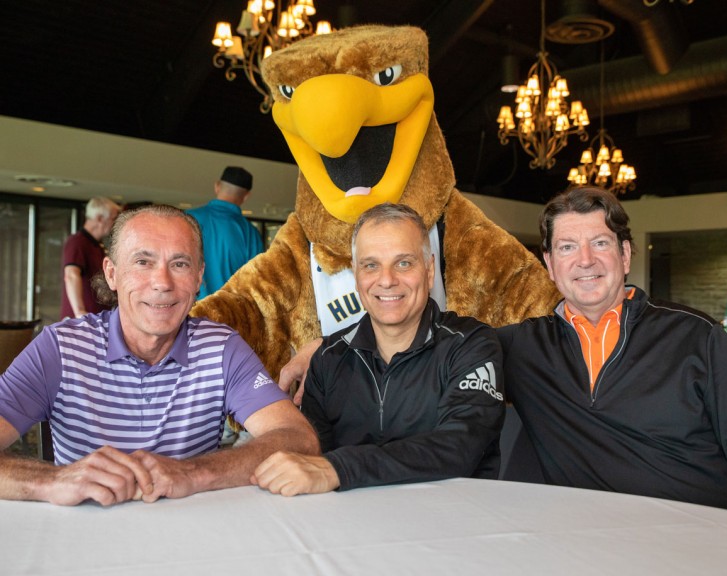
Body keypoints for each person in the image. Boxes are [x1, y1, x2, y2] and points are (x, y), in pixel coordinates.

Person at [0, 204, 318, 506]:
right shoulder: (60, 347)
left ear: (198, 278)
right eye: (143, 262)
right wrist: (53, 481)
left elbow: (297, 438)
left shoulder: (221, 347)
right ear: (111, 273)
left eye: (179, 264)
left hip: (191, 534)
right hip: (85, 536)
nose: (162, 283)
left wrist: (194, 472)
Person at [498, 186, 727, 516]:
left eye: (600, 243)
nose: (585, 260)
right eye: (567, 247)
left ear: (625, 255)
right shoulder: (520, 348)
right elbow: (434, 352)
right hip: (592, 543)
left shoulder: (695, 335)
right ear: (551, 264)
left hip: (702, 537)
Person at [252, 203, 506, 496]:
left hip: (455, 526)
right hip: (352, 530)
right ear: (356, 277)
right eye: (371, 265)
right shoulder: (327, 358)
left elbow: (459, 448)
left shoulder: (471, 344)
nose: (386, 280)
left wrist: (339, 468)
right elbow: (310, 456)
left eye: (403, 263)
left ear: (429, 270)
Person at [187, 166, 264, 299]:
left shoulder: (187, 219)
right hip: (229, 314)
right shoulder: (251, 234)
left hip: (188, 313)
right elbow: (254, 284)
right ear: (246, 196)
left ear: (217, 186)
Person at [60, 196, 121, 319]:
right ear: (99, 218)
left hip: (98, 317)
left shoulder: (97, 245)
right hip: (82, 321)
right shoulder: (77, 242)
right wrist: (79, 311)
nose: (114, 224)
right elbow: (71, 275)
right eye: (113, 219)